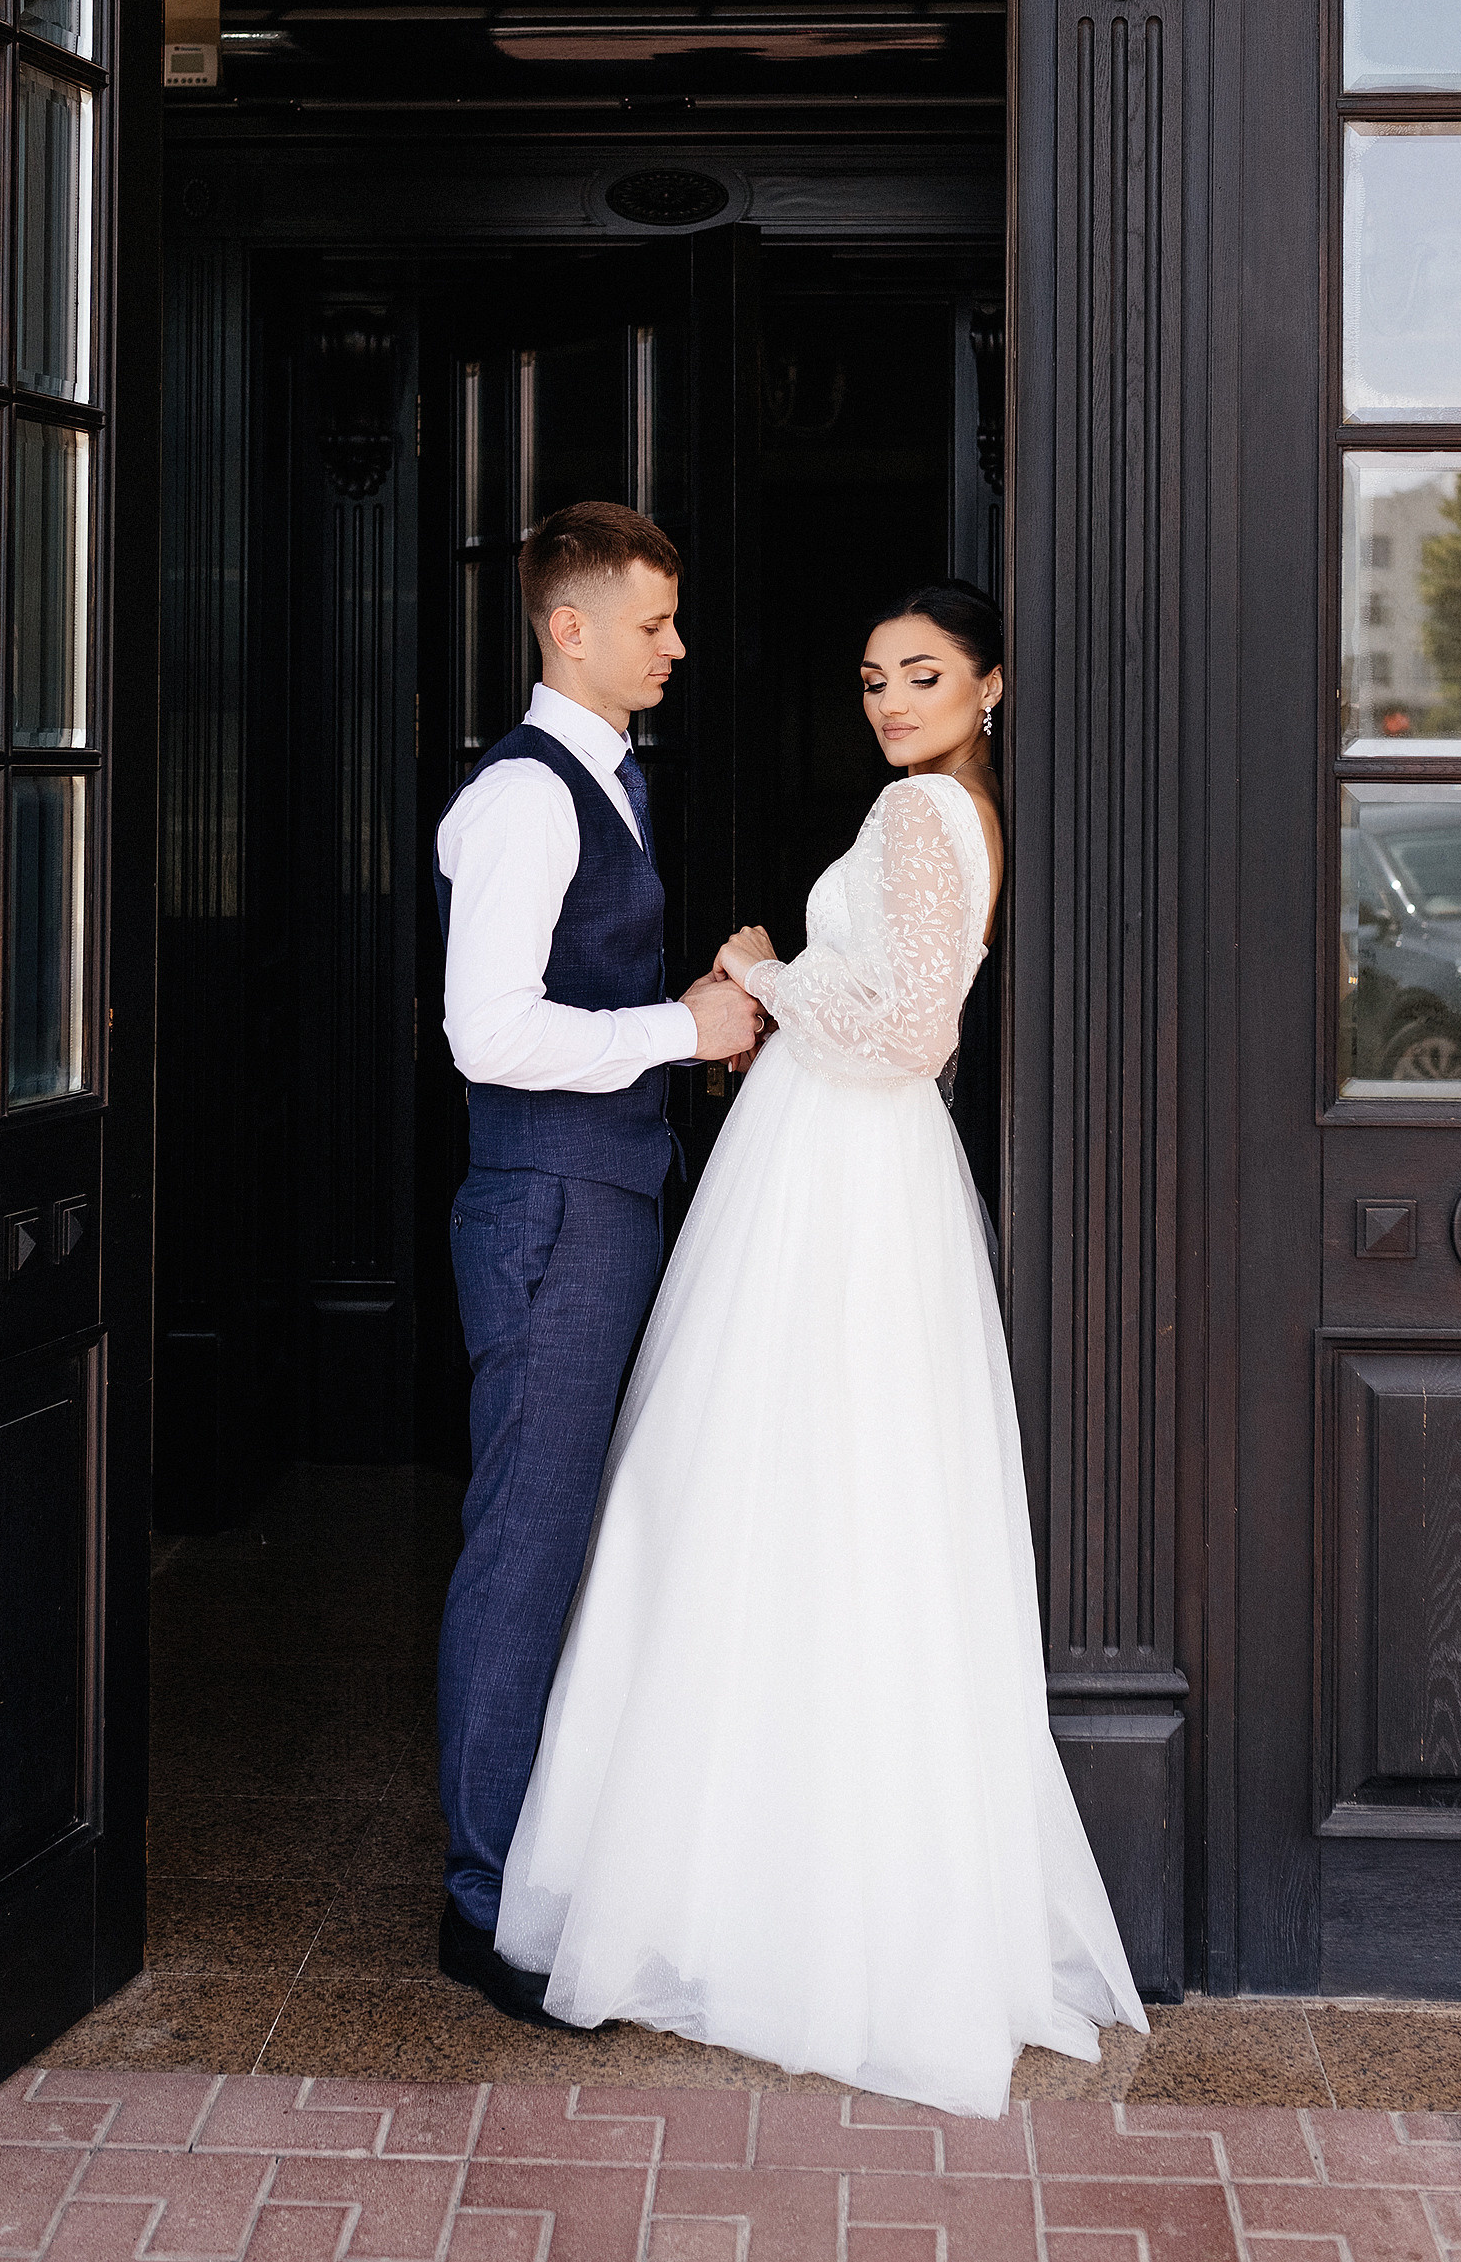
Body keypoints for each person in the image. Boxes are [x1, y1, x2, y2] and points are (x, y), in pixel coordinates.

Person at [494, 579, 1149, 2115]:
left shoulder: (930, 817)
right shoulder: (945, 809)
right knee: (825, 1502)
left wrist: (761, 976)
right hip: (854, 1167)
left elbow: (914, 1030)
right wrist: (791, 976)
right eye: (871, 679)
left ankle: (751, 1892)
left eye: (923, 675)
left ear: (992, 685)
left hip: (847, 1174)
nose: (892, 701)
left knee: (770, 1493)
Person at [432, 499, 764, 2026]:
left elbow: (582, 996)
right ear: (569, 627)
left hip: (602, 1200)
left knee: (565, 1543)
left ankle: (535, 1870)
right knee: (527, 1546)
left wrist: (690, 1005)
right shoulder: (525, 799)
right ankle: (485, 1901)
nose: (680, 646)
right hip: (553, 1218)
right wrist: (678, 1031)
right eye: (655, 623)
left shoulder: (607, 780)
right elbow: (485, 1029)